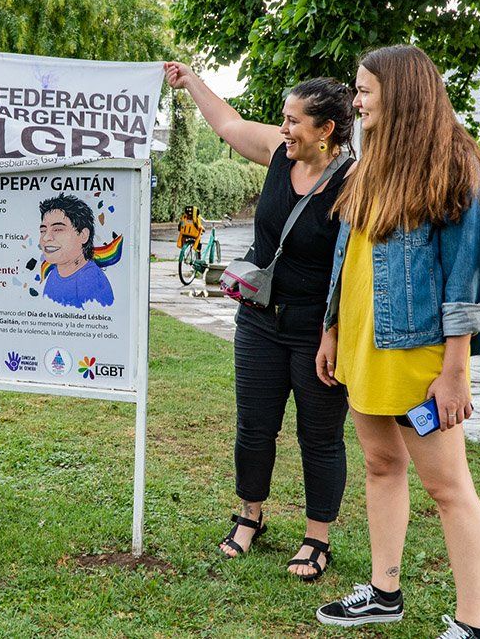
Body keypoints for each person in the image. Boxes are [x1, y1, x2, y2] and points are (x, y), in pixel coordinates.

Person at [314, 45, 480, 639]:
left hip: (419, 358)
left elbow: (467, 287)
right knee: (379, 465)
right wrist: (332, 329)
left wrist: (455, 373)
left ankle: (472, 624)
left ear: (404, 92)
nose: (356, 100)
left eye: (365, 91)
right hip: (364, 345)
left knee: (448, 488)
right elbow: (349, 258)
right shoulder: (370, 164)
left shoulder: (455, 169)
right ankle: (384, 591)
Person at [166, 62, 356, 581]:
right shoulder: (279, 153)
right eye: (282, 119)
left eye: (294, 121)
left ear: (326, 131)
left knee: (319, 437)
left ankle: (317, 538)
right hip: (258, 321)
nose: (284, 129)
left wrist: (334, 333)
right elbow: (227, 125)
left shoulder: (354, 182)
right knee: (254, 427)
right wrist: (190, 80)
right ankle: (250, 516)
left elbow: (356, 268)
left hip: (318, 331)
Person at [39, 194, 114, 309]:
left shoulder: (90, 281)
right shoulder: (54, 274)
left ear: (83, 235)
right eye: (43, 230)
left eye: (58, 229)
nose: (46, 237)